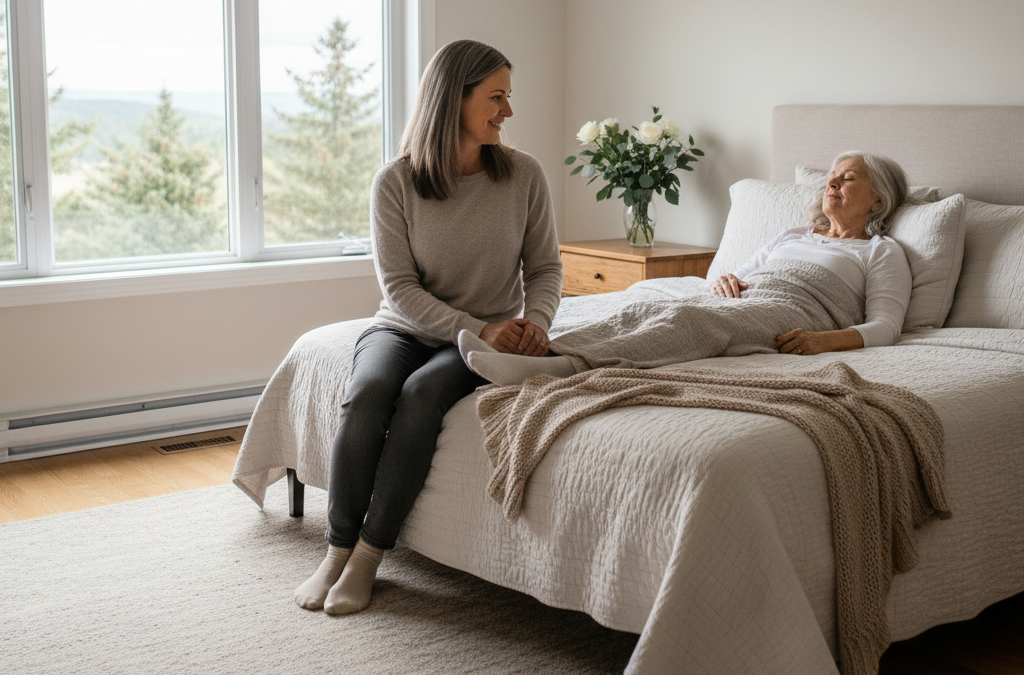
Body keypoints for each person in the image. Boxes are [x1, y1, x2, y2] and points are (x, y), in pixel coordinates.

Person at [293, 40, 563, 615]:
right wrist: (478, 326)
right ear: (453, 99)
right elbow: (400, 289)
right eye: (495, 98)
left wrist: (533, 325)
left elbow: (544, 268)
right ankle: (335, 549)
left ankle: (367, 555)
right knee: (367, 393)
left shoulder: (523, 177)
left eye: (507, 98)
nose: (507, 112)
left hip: (478, 340)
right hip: (405, 327)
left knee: (419, 397)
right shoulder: (395, 182)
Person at [460, 151, 912, 385]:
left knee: (685, 317)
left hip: (801, 315)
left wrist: (822, 342)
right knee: (639, 311)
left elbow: (887, 326)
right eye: (832, 174)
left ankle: (560, 367)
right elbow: (729, 276)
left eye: (848, 177)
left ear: (878, 198)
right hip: (753, 301)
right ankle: (537, 351)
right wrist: (727, 279)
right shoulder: (793, 236)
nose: (832, 182)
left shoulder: (880, 251)